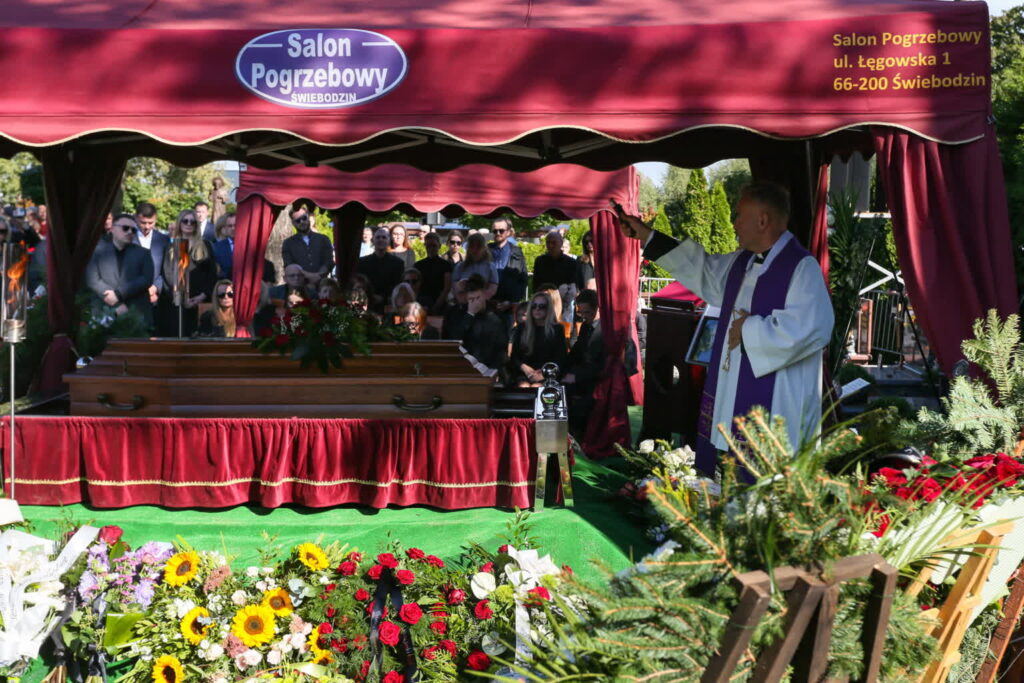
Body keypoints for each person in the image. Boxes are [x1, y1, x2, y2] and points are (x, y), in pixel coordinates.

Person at [616, 181, 833, 475]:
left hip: (779, 408)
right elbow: (701, 269)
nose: (734, 223)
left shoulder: (801, 268)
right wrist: (646, 234)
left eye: (740, 215)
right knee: (733, 475)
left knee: (770, 484)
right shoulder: (742, 262)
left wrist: (748, 330)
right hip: (735, 398)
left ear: (762, 220)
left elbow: (813, 328)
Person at [84, 214, 154, 326]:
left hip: (136, 311)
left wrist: (118, 294)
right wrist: (113, 300)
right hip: (104, 309)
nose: (130, 232)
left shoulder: (143, 253)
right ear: (112, 229)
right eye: (125, 228)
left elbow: (146, 279)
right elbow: (92, 279)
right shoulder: (97, 252)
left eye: (133, 230)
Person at [162, 208, 217, 337]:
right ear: (179, 223)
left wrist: (202, 295)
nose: (188, 224)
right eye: (185, 221)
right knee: (179, 337)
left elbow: (212, 274)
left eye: (192, 222)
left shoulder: (205, 245)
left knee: (199, 338)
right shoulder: (173, 246)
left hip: (200, 301)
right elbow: (168, 273)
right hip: (177, 301)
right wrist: (182, 297)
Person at [562, 288, 604, 433]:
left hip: (597, 379)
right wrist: (561, 368)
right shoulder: (586, 326)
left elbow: (603, 363)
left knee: (581, 405)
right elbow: (576, 352)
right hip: (583, 373)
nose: (584, 316)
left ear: (597, 308)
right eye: (581, 312)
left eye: (588, 312)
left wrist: (576, 376)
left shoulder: (606, 330)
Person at [508, 291, 568, 387]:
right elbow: (514, 356)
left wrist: (543, 374)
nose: (537, 309)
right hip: (524, 372)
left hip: (548, 373)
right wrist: (524, 368)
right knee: (524, 386)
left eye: (542, 306)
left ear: (548, 309)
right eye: (534, 306)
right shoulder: (522, 328)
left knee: (536, 387)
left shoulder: (557, 329)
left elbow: (560, 358)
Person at [451, 274, 507, 378]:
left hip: (489, 369)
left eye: (478, 298)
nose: (475, 302)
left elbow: (500, 350)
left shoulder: (495, 318)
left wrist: (495, 371)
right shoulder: (460, 316)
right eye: (471, 299)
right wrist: (470, 314)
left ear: (484, 295)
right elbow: (456, 340)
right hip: (465, 368)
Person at [488, 217, 528, 331]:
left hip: (508, 307)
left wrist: (511, 302)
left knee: (507, 338)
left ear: (508, 232)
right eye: (495, 231)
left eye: (501, 230)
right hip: (488, 306)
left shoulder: (516, 252)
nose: (498, 233)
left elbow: (522, 279)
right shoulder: (486, 251)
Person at [532, 230, 578, 323]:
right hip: (543, 302)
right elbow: (535, 283)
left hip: (563, 303)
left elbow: (573, 285)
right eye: (548, 242)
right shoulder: (540, 261)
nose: (550, 245)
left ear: (561, 243)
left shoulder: (571, 263)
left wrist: (563, 303)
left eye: (553, 242)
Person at [281, 206, 333, 287]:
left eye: (304, 218)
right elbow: (289, 265)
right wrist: (309, 276)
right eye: (298, 220)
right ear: (293, 223)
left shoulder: (323, 239)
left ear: (308, 217)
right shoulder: (288, 243)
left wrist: (318, 276)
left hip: (323, 286)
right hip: (300, 286)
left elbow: (328, 262)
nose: (302, 222)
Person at [356, 227, 405, 314]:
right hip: (366, 304)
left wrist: (383, 297)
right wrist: (370, 296)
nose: (380, 240)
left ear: (389, 241)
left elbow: (397, 285)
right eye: (378, 237)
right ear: (373, 240)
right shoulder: (362, 262)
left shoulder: (398, 263)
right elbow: (360, 284)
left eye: (384, 237)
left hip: (389, 305)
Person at [133, 202, 169, 309]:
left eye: (150, 223)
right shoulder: (128, 237)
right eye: (143, 222)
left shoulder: (163, 240)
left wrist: (156, 288)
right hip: (131, 298)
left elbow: (166, 269)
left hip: (155, 299)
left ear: (155, 219)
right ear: (136, 218)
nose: (147, 227)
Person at [452, 233, 498, 300]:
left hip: (483, 303)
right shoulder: (459, 267)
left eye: (478, 247)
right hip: (463, 303)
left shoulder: (491, 267)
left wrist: (477, 299)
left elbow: (492, 289)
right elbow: (455, 289)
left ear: (484, 248)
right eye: (472, 246)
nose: (475, 249)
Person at [414, 232, 452, 312]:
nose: (431, 248)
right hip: (422, 303)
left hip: (440, 302)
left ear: (439, 246)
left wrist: (437, 305)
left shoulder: (446, 265)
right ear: (425, 246)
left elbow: (447, 287)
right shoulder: (418, 265)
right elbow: (415, 287)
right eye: (428, 246)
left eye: (434, 246)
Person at [212, 211, 236, 280]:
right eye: (230, 226)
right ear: (225, 228)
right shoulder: (216, 247)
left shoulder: (249, 246)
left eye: (235, 225)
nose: (233, 228)